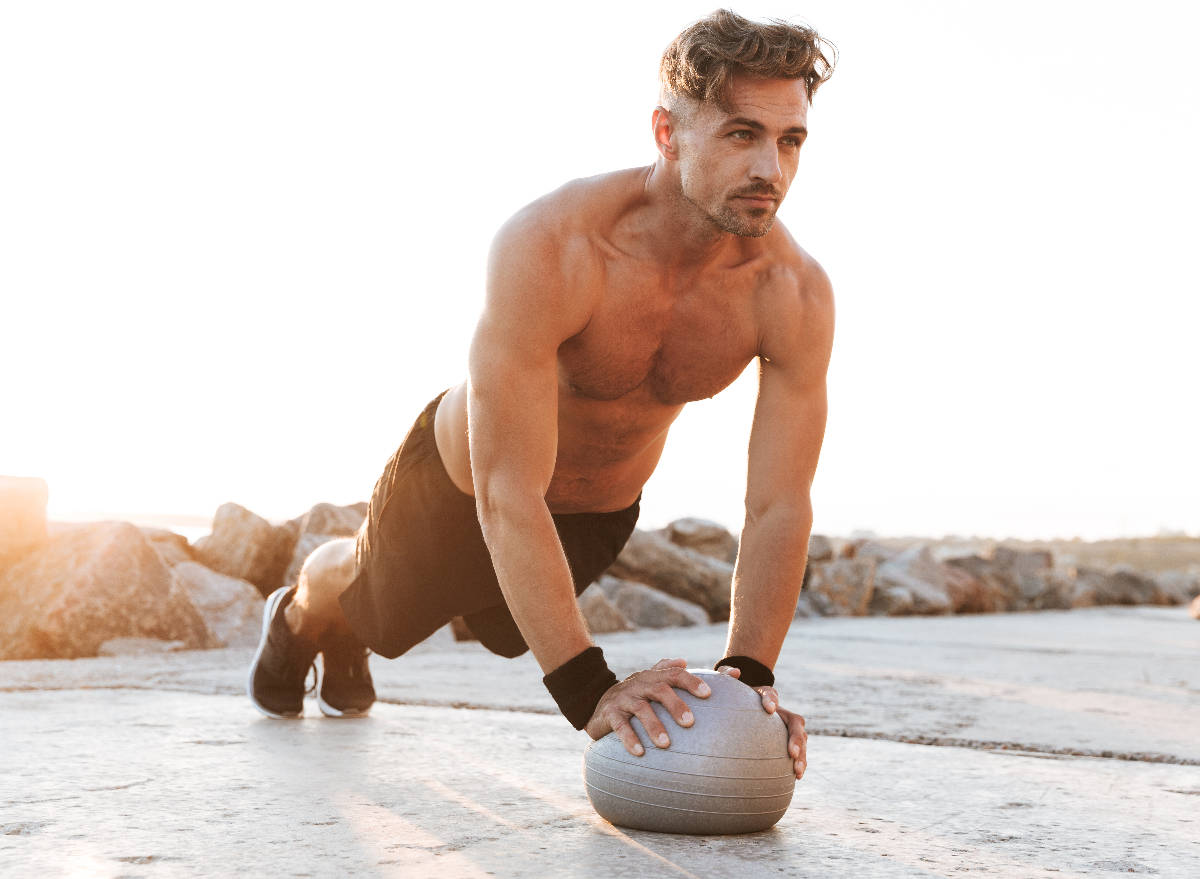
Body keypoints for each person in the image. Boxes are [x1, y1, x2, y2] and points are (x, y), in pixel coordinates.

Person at [248, 9, 835, 783]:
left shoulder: (791, 293)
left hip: (595, 513)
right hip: (466, 486)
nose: (772, 168)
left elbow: (778, 505)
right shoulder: (554, 247)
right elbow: (505, 490)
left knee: (504, 629)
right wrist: (590, 689)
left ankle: (367, 610)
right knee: (380, 617)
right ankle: (302, 608)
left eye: (789, 140)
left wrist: (749, 676)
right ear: (667, 133)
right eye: (741, 134)